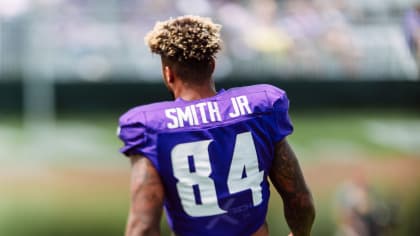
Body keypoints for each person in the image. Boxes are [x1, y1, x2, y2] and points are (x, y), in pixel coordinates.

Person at [118, 15, 315, 236]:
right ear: (212, 65)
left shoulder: (149, 126)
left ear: (168, 73)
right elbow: (301, 201)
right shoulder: (260, 107)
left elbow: (142, 227)